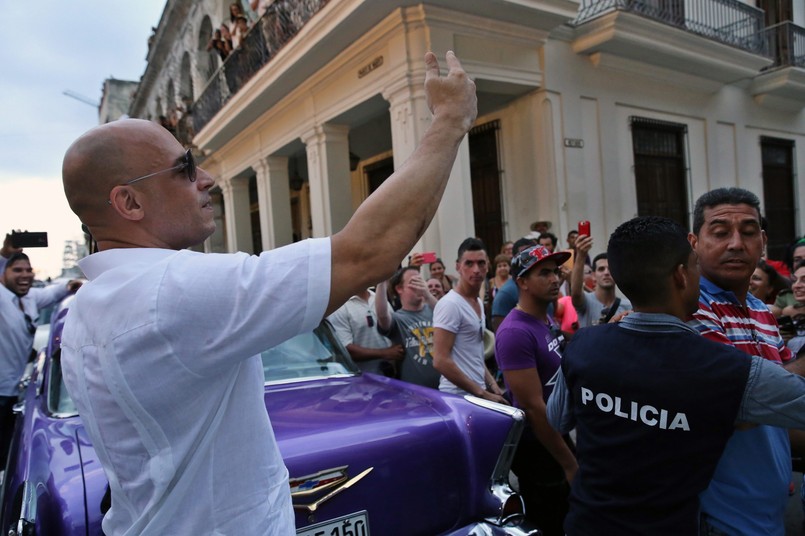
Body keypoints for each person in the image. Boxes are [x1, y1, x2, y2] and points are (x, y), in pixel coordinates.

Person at [59, 51, 476, 535]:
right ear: (128, 202)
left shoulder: (89, 306)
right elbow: (367, 254)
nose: (206, 179)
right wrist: (449, 121)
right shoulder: (170, 291)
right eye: (185, 168)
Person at [548, 216, 805, 535]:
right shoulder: (725, 369)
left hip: (587, 524)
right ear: (682, 275)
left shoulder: (584, 345)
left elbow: (557, 418)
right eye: (695, 264)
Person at [686, 187, 805, 536]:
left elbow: (786, 407)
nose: (737, 243)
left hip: (768, 512)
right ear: (694, 241)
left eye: (749, 232)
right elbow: (737, 406)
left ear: (763, 241)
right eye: (720, 232)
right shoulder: (689, 308)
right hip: (716, 518)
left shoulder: (759, 311)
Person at [495, 245, 576, 535]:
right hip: (539, 447)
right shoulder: (515, 332)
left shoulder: (545, 317)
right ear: (522, 282)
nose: (555, 279)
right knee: (550, 522)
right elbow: (532, 408)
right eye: (544, 273)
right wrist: (568, 463)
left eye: (555, 272)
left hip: (559, 433)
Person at [0, 251, 80, 462]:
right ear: (3, 273)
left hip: (13, 392)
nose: (25, 275)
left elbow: (55, 292)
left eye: (28, 270)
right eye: (17, 270)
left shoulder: (29, 298)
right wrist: (3, 256)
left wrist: (71, 284)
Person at [433, 238, 505, 402]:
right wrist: (483, 393)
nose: (476, 270)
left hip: (476, 395)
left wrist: (492, 384)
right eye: (469, 264)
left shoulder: (476, 301)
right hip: (457, 397)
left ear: (487, 265)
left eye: (481, 263)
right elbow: (440, 360)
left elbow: (474, 353)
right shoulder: (450, 304)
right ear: (458, 266)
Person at [376, 267, 439, 388]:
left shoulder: (433, 309)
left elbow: (448, 316)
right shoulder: (398, 318)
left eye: (420, 281)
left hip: (445, 389)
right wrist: (382, 282)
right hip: (414, 393)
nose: (419, 286)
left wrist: (427, 294)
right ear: (399, 288)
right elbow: (382, 316)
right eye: (413, 282)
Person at [327, 289, 403, 376]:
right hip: (361, 381)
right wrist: (385, 353)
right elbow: (345, 350)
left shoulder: (378, 297)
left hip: (390, 376)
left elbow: (394, 331)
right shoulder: (340, 306)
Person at [570, 234, 631, 328]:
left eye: (610, 269)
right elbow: (576, 294)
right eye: (601, 269)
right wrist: (581, 255)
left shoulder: (628, 306)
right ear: (593, 275)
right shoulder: (586, 302)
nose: (606, 273)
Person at [490, 237, 538, 331]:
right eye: (523, 254)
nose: (527, 259)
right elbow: (501, 330)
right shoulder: (506, 293)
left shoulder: (542, 285)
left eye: (530, 254)